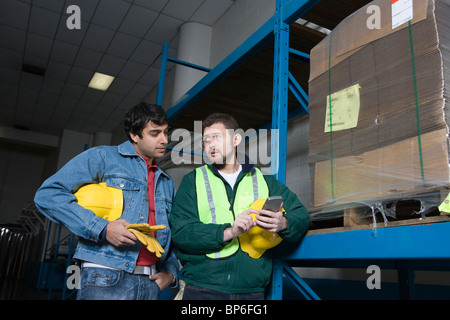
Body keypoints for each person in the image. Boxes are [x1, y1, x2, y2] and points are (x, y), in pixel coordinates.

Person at [34, 102, 179, 300]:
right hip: (106, 276)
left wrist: (171, 274)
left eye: (165, 132)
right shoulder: (103, 158)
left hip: (150, 281)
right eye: (155, 133)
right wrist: (103, 228)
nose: (164, 139)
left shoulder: (166, 181)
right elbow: (47, 195)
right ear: (134, 136)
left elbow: (169, 232)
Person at [169, 112, 310, 299]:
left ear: (236, 139)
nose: (210, 144)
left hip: (251, 291)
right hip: (203, 289)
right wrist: (229, 232)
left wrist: (283, 224)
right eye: (206, 140)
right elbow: (181, 232)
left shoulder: (265, 180)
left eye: (217, 137)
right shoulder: (193, 181)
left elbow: (301, 215)